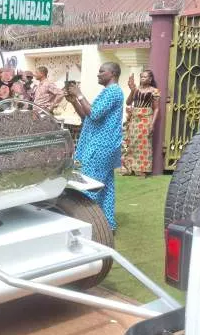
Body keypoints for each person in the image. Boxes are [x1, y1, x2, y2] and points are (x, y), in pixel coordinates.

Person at [65, 63, 124, 231]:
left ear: (112, 73)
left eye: (101, 71)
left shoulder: (113, 91)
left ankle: (84, 223)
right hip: (101, 144)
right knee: (104, 187)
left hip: (102, 146)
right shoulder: (108, 92)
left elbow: (95, 113)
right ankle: (107, 225)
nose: (98, 74)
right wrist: (74, 101)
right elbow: (87, 116)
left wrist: (80, 94)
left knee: (89, 184)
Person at [121, 70, 160, 177]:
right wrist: (132, 89)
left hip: (146, 118)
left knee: (144, 144)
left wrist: (152, 124)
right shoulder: (136, 89)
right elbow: (128, 102)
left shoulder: (154, 91)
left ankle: (142, 169)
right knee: (132, 142)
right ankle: (130, 167)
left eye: (145, 77)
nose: (143, 78)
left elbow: (156, 109)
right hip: (134, 118)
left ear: (150, 79)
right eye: (141, 76)